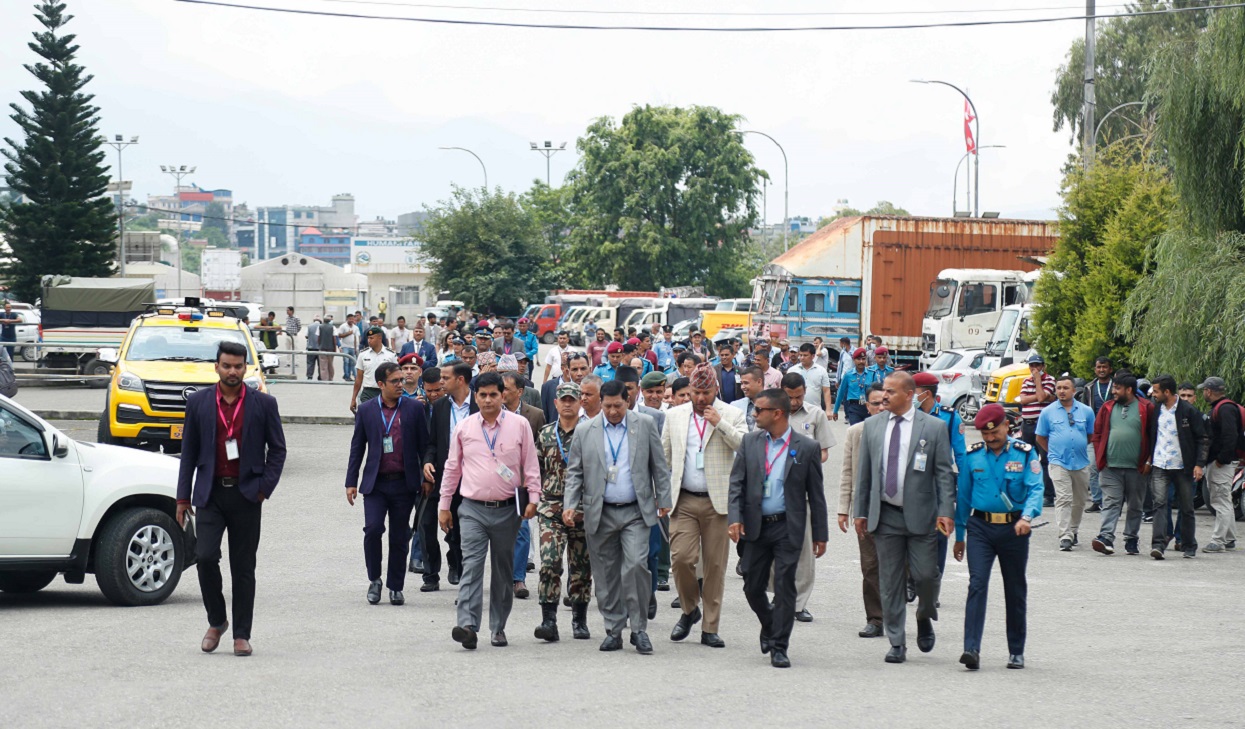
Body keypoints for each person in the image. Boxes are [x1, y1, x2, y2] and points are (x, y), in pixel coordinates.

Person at [176, 342, 287, 657]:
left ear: (246, 368)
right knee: (206, 556)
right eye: (227, 365)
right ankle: (217, 620)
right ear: (217, 367)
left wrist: (265, 487)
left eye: (238, 366)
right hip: (210, 494)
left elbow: (278, 449)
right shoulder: (198, 403)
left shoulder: (263, 404)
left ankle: (241, 634)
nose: (233, 371)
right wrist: (183, 497)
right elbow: (189, 453)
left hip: (247, 494)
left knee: (243, 567)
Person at [852, 372, 956, 664]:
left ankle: (924, 616)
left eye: (891, 392)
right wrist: (860, 511)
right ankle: (897, 641)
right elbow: (865, 474)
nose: (884, 396)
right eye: (883, 391)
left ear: (909, 394)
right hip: (885, 516)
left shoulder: (933, 427)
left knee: (925, 576)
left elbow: (944, 475)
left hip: (922, 515)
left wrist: (946, 511)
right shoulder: (872, 426)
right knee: (891, 580)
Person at [563, 380, 672, 654]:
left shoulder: (644, 425)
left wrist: (664, 499)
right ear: (601, 402)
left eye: (618, 406)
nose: (613, 411)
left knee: (636, 566)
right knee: (606, 574)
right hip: (599, 512)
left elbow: (659, 465)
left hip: (636, 510)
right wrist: (570, 504)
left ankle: (639, 629)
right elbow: (575, 472)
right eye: (608, 405)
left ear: (628, 401)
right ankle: (613, 629)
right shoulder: (585, 430)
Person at [438, 372, 541, 650]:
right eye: (481, 395)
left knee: (502, 570)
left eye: (493, 394)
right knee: (471, 565)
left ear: (503, 395)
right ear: (475, 396)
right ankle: (468, 626)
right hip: (472, 509)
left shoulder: (519, 426)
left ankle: (498, 627)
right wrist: (444, 505)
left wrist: (533, 498)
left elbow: (530, 465)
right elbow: (452, 468)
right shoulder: (465, 427)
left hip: (508, 510)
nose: (487, 400)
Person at [728, 387, 828, 668]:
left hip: (788, 527)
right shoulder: (750, 442)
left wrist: (820, 534)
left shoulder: (806, 448)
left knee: (785, 586)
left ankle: (779, 646)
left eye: (759, 410)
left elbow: (816, 494)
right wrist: (734, 517)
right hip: (756, 527)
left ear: (777, 413)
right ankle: (770, 622)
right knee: (752, 585)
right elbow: (737, 483)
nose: (754, 414)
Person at [952, 403, 1044, 671]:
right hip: (980, 527)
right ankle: (971, 649)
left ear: (1006, 425)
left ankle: (1016, 651)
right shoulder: (973, 456)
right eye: (984, 434)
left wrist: (1027, 517)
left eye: (995, 432)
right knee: (977, 584)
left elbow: (1035, 488)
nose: (990, 438)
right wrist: (960, 535)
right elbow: (964, 497)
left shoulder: (1025, 454)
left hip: (1015, 528)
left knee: (1015, 588)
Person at [662, 363, 747, 649]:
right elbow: (665, 457)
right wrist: (661, 495)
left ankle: (710, 627)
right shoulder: (674, 415)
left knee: (714, 567)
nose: (699, 399)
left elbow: (745, 447)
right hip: (683, 499)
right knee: (682, 560)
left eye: (705, 393)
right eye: (695, 393)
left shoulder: (733, 413)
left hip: (718, 502)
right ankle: (689, 610)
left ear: (716, 389)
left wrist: (719, 422)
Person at [344, 361, 429, 606]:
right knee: (372, 530)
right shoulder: (367, 410)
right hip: (376, 485)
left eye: (401, 380)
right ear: (381, 384)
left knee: (399, 537)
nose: (401, 384)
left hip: (404, 483)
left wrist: (425, 476)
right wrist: (351, 481)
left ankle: (395, 586)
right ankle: (375, 580)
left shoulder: (414, 409)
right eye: (395, 381)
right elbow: (357, 447)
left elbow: (424, 447)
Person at [533, 381, 594, 642]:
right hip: (551, 507)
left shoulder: (590, 432)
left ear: (580, 402)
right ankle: (549, 621)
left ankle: (579, 619)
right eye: (563, 400)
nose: (568, 404)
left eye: (572, 399)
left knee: (581, 567)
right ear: (556, 403)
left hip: (583, 508)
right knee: (549, 562)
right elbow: (536, 470)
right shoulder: (546, 434)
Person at [778, 372, 835, 623]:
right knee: (774, 547)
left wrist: (803, 461)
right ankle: (778, 595)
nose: (794, 402)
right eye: (789, 397)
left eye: (799, 396)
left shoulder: (815, 415)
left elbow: (823, 453)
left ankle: (799, 603)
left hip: (803, 491)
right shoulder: (773, 413)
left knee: (804, 550)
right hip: (775, 490)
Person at [421, 362, 478, 590]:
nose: (441, 382)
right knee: (429, 526)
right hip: (444, 477)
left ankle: (464, 577)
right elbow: (433, 443)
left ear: (461, 380)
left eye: (445, 378)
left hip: (472, 479)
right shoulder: (442, 406)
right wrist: (427, 460)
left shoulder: (480, 403)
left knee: (461, 532)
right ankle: (431, 575)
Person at [838, 382, 887, 638]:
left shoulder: (902, 432)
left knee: (900, 567)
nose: (880, 407)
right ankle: (876, 618)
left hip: (896, 511)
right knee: (870, 566)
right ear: (867, 407)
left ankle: (898, 612)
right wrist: (843, 509)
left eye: (884, 402)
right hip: (865, 510)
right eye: (875, 403)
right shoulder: (856, 432)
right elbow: (847, 471)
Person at [1090, 371, 1156, 556]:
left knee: (1135, 505)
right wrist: (1099, 456)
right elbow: (1097, 434)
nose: (1113, 392)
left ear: (1129, 389)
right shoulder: (1107, 407)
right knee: (1111, 503)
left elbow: (1154, 437)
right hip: (1110, 467)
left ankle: (1131, 539)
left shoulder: (1146, 408)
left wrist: (1149, 461)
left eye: (1117, 388)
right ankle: (1106, 538)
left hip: (1138, 468)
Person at [1148, 375, 1208, 559]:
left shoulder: (1189, 411)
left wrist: (1199, 464)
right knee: (1159, 504)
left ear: (1167, 392)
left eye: (1156, 391)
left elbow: (1203, 439)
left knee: (1187, 507)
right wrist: (1148, 459)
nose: (1153, 394)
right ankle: (1158, 544)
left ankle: (1189, 544)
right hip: (1160, 464)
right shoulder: (1155, 410)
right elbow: (1151, 435)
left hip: (1183, 466)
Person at [1035, 375, 1095, 551]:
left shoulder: (1086, 411)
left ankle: (1073, 530)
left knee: (1079, 500)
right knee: (1063, 498)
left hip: (1081, 462)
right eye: (1058, 388)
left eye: (1065, 388)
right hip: (1058, 462)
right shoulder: (1047, 412)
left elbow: (1090, 435)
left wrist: (1078, 445)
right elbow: (1040, 437)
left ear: (1074, 391)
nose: (1061, 391)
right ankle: (1065, 535)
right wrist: (1053, 452)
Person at [501, 370, 545, 600]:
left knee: (522, 530)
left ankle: (518, 578)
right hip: (495, 481)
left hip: (523, 483)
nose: (501, 393)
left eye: (506, 389)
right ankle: (500, 577)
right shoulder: (488, 412)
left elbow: (542, 451)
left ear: (519, 392)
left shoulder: (535, 415)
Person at [1197, 376, 1239, 553]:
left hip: (1222, 463)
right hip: (1220, 462)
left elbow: (1231, 437)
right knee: (1223, 500)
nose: (1203, 393)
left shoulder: (1225, 409)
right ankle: (1229, 538)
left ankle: (1218, 541)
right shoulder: (1222, 408)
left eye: (1204, 390)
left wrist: (1222, 459)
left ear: (1209, 391)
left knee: (1220, 501)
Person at [1017, 353, 1057, 506]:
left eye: (1037, 365)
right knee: (1027, 458)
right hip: (1027, 424)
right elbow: (1023, 399)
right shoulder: (1026, 381)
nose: (1034, 369)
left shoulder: (1050, 379)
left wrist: (1038, 381)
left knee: (1045, 459)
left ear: (1043, 366)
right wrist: (1041, 396)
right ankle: (1027, 491)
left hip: (1043, 426)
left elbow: (1040, 398)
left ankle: (1048, 495)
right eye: (1031, 365)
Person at [1080, 356, 1115, 512]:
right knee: (1093, 467)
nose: (1102, 370)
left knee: (1113, 467)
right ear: (1095, 369)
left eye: (1105, 367)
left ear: (1110, 369)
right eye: (1099, 367)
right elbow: (1082, 410)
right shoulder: (1089, 388)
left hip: (1114, 431)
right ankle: (1097, 500)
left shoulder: (1117, 386)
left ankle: (1114, 500)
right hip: (1095, 433)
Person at [350, 327, 397, 413]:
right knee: (368, 418)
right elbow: (359, 378)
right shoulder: (363, 354)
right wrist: (353, 399)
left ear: (379, 338)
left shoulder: (390, 355)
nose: (369, 340)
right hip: (368, 392)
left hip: (384, 392)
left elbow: (396, 376)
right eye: (368, 338)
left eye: (372, 338)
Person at [542, 351, 589, 424]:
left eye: (583, 369)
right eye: (575, 369)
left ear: (590, 369)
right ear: (568, 371)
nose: (579, 374)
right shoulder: (548, 387)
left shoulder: (598, 390)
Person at [788, 343, 831, 413]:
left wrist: (828, 409)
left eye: (805, 355)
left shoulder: (821, 370)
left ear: (813, 356)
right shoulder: (792, 370)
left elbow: (826, 391)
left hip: (815, 410)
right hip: (795, 410)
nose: (802, 357)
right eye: (801, 355)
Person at [832, 348, 871, 424]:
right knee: (855, 431)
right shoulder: (848, 375)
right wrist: (835, 411)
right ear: (853, 359)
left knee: (868, 433)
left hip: (868, 407)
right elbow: (841, 393)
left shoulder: (871, 373)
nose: (861, 361)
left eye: (863, 359)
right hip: (854, 408)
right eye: (858, 359)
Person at [335, 314, 359, 382]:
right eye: (350, 319)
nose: (351, 320)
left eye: (352, 319)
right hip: (345, 347)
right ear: (347, 319)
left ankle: (354, 376)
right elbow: (339, 336)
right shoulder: (343, 326)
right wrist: (348, 333)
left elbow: (356, 338)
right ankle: (347, 376)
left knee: (353, 362)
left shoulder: (355, 327)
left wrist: (355, 348)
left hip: (352, 347)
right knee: (346, 362)